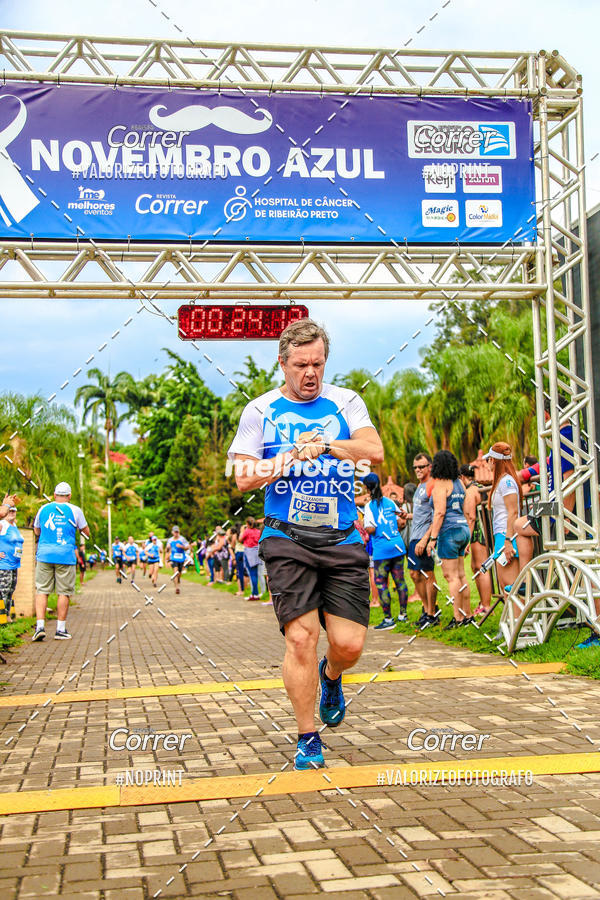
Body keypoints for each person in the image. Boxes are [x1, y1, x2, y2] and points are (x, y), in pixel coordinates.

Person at [228, 317, 383, 770]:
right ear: (282, 363)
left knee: (349, 644)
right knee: (300, 637)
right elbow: (242, 476)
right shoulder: (260, 410)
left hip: (342, 536)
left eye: (317, 363)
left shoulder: (346, 401)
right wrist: (289, 456)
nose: (310, 372)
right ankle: (307, 737)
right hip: (286, 536)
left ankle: (331, 675)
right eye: (300, 365)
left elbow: (373, 450)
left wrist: (330, 446)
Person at [32, 481, 90, 641]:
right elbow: (86, 533)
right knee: (64, 592)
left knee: (42, 590)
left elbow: (36, 530)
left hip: (44, 554)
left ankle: (40, 627)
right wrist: (77, 529)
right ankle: (60, 629)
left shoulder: (43, 509)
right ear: (69, 496)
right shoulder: (75, 510)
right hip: (65, 554)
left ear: (54, 495)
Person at [426, 451, 472, 629]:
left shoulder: (440, 485)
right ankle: (467, 615)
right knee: (461, 575)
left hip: (448, 532)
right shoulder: (460, 483)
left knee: (451, 577)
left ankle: (457, 618)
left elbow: (439, 513)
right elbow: (467, 510)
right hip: (463, 529)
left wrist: (432, 539)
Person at [362, 472, 408, 630]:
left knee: (381, 583)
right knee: (400, 581)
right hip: (397, 546)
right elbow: (400, 521)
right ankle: (403, 615)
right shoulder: (390, 502)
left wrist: (364, 524)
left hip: (381, 549)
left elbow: (371, 529)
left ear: (367, 488)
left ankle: (388, 619)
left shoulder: (369, 507)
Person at [484, 442, 523, 596]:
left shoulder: (506, 482)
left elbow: (513, 512)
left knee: (510, 590)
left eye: (488, 459)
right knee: (506, 587)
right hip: (503, 535)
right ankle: (512, 620)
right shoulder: (503, 480)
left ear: (493, 460)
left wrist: (507, 541)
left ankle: (516, 620)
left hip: (507, 536)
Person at [407, 454, 439, 628]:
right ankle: (426, 609)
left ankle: (432, 614)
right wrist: (407, 516)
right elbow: (421, 513)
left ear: (430, 467)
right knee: (414, 574)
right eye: (415, 467)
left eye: (421, 466)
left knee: (427, 574)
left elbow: (436, 516)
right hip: (414, 535)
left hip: (424, 537)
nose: (418, 470)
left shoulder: (432, 485)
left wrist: (426, 539)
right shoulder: (420, 486)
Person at [460, 464, 492, 616]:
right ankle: (483, 603)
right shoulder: (479, 486)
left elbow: (471, 517)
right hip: (483, 530)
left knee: (481, 567)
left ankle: (486, 605)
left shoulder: (471, 491)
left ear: (462, 477)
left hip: (479, 532)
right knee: (475, 567)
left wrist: (466, 541)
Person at [0, 504, 23, 623]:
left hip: (14, 564)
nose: (12, 512)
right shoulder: (2, 524)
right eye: (10, 510)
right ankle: (1, 618)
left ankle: (7, 616)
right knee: (3, 590)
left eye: (14, 510)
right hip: (3, 565)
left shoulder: (14, 525)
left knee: (10, 590)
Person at [240, 517, 261, 601]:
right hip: (256, 552)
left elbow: (240, 539)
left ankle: (254, 594)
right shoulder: (258, 531)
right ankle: (256, 593)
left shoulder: (247, 531)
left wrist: (242, 531)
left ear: (247, 524)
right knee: (255, 574)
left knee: (251, 574)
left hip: (249, 552)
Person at [166, 526, 190, 595]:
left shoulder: (182, 539)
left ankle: (178, 580)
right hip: (173, 558)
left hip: (181, 558)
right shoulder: (170, 540)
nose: (176, 533)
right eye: (175, 532)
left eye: (177, 532)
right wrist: (167, 548)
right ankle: (177, 588)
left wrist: (181, 546)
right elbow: (167, 549)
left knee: (179, 574)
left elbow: (187, 548)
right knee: (175, 572)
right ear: (172, 532)